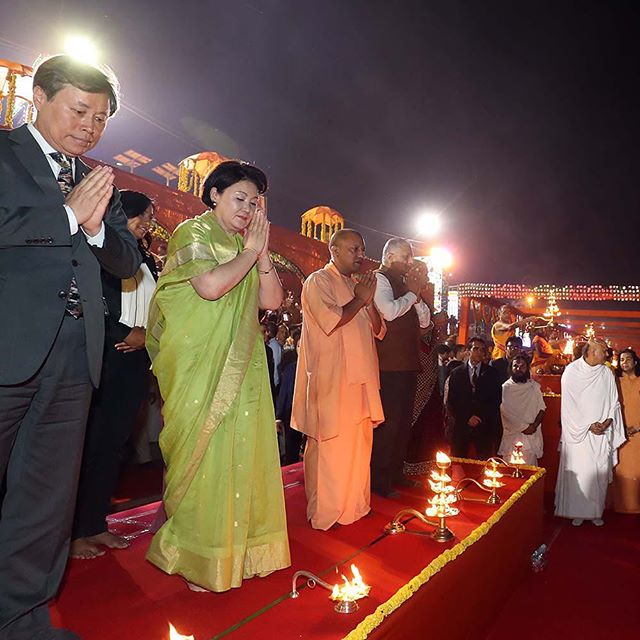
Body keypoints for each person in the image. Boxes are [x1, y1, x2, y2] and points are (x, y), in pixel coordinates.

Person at [0, 55, 140, 639]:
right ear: (39, 95)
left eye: (102, 117)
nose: (90, 126)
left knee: (44, 502)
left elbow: (128, 262)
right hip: (8, 349)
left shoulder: (92, 178)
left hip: (73, 359)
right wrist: (65, 216)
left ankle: (23, 621)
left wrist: (97, 222)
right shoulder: (5, 154)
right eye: (79, 110)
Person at [145, 160, 290, 591]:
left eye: (254, 202)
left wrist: (261, 255)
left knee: (238, 455)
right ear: (214, 195)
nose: (247, 209)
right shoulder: (193, 232)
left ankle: (233, 552)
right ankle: (195, 555)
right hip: (198, 366)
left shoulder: (247, 244)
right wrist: (249, 253)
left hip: (241, 365)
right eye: (239, 198)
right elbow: (208, 287)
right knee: (203, 457)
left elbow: (274, 301)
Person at [71, 190, 158, 559]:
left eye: (151, 219)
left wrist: (149, 339)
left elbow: (158, 309)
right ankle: (72, 532)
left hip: (135, 363)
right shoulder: (95, 249)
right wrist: (127, 335)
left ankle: (95, 525)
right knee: (87, 446)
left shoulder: (146, 259)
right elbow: (89, 305)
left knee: (113, 446)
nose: (149, 224)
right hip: (105, 356)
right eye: (144, 216)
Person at [292, 229, 385, 530]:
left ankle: (356, 505)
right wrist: (359, 300)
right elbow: (331, 320)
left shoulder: (357, 284)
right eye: (354, 249)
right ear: (334, 250)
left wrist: (368, 302)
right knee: (331, 446)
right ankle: (327, 512)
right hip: (332, 379)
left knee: (360, 443)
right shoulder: (318, 281)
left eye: (362, 249)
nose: (361, 255)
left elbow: (379, 330)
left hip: (361, 379)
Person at [371, 240, 431, 497]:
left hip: (407, 365)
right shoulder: (380, 279)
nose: (410, 262)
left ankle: (396, 472)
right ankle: (379, 480)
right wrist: (411, 294)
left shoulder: (408, 285)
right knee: (388, 424)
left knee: (403, 423)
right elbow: (388, 311)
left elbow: (426, 320)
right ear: (389, 256)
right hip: (387, 366)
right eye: (405, 257)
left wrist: (415, 296)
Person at [555, 339, 626, 526]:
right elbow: (568, 406)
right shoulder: (571, 371)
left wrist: (607, 422)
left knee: (598, 472)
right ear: (592, 351)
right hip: (579, 435)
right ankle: (577, 512)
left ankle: (595, 512)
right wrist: (588, 425)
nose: (607, 355)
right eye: (604, 351)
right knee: (581, 473)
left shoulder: (607, 373)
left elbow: (614, 403)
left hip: (602, 434)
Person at [447, 337, 502, 459]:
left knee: (484, 463)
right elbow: (452, 400)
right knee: (458, 462)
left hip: (484, 425)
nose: (479, 352)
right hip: (462, 425)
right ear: (468, 350)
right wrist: (467, 417)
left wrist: (480, 417)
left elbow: (496, 400)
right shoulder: (456, 373)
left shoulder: (492, 373)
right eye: (475, 349)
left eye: (482, 350)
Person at [498, 355, 546, 465]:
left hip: (530, 436)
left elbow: (542, 408)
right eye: (515, 366)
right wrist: (524, 427)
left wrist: (533, 426)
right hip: (512, 435)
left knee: (530, 473)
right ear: (511, 368)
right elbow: (505, 412)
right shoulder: (506, 388)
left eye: (522, 366)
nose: (519, 369)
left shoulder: (534, 387)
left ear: (527, 368)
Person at [612, 349, 640, 513]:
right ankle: (619, 504)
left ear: (635, 362)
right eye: (621, 360)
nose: (625, 362)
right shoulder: (615, 382)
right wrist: (620, 428)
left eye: (628, 359)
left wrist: (636, 427)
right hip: (619, 432)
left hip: (637, 431)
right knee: (620, 468)